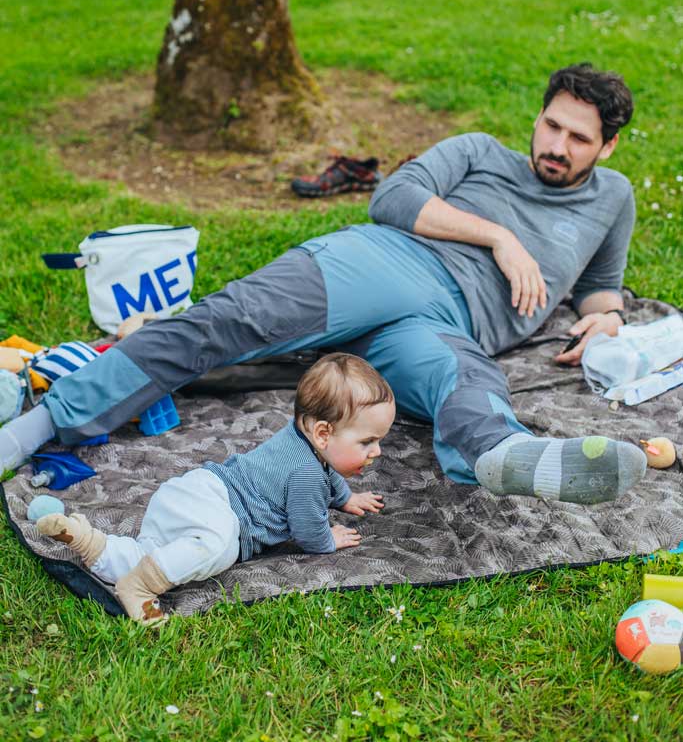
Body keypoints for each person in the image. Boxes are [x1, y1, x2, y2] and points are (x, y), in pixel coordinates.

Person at [1, 63, 647, 506]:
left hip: (452, 329)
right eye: (550, 125)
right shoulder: (478, 152)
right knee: (232, 321)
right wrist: (498, 238)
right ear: (537, 117)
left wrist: (606, 316)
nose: (555, 144)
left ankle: (512, 458)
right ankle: (39, 427)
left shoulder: (611, 200)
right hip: (389, 261)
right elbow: (391, 198)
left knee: (471, 385)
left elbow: (599, 284)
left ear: (607, 147)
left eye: (577, 138)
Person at [36, 353, 394, 624]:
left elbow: (329, 469)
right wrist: (328, 540)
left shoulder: (303, 440)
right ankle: (140, 589)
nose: (376, 451)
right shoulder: (306, 475)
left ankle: (87, 540)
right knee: (217, 548)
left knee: (151, 555)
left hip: (191, 493)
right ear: (322, 433)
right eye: (368, 442)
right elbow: (307, 526)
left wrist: (346, 499)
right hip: (219, 510)